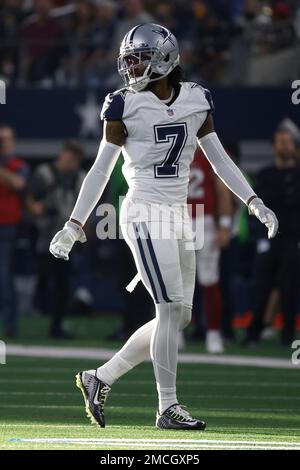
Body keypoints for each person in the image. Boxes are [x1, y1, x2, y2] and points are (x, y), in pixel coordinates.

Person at [49, 23, 278, 430]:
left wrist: (253, 201)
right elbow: (100, 170)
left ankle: (99, 378)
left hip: (178, 213)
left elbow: (219, 159)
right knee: (169, 308)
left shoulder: (196, 99)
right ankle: (167, 407)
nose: (132, 67)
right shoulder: (122, 104)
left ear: (166, 60)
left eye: (140, 59)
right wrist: (74, 224)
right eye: (129, 60)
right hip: (142, 211)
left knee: (180, 316)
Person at [245, 128, 300, 346]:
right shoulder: (265, 173)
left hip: (293, 238)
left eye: (287, 142)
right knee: (261, 286)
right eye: (280, 142)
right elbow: (261, 202)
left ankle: (287, 334)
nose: (284, 146)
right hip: (269, 238)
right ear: (274, 146)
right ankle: (254, 332)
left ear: (294, 146)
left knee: (289, 287)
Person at [27, 140, 85, 338]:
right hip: (45, 235)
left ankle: (56, 325)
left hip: (68, 240)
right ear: (62, 156)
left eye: (75, 160)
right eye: (69, 158)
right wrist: (36, 209)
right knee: (44, 278)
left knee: (63, 283)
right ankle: (37, 311)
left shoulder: (80, 178)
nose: (71, 164)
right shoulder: (45, 173)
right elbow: (30, 198)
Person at [188, 146, 232, 353]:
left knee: (209, 281)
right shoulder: (170, 150)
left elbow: (223, 190)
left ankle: (213, 332)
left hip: (203, 221)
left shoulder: (209, 154)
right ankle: (173, 332)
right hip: (176, 220)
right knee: (174, 284)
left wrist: (224, 224)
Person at [0, 124, 28, 337]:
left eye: (5, 139)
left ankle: (10, 326)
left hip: (6, 227)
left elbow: (19, 183)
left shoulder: (17, 165)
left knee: (4, 276)